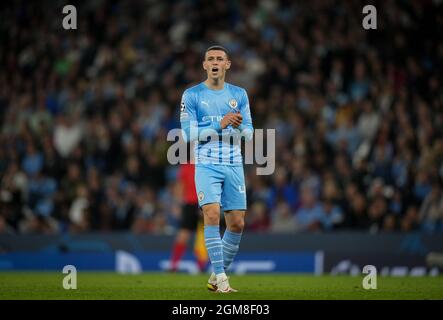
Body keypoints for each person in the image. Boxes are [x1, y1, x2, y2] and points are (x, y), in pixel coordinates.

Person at [179, 45, 253, 293]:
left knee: (237, 223)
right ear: (204, 65)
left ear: (227, 65)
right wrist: (221, 125)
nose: (214, 62)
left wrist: (242, 127)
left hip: (233, 163)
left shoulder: (240, 94)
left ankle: (214, 274)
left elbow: (250, 133)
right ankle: (222, 278)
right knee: (211, 214)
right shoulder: (191, 95)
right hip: (207, 163)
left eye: (219, 59)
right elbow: (188, 135)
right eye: (210, 58)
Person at [169, 161, 208, 273]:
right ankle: (174, 265)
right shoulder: (187, 166)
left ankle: (201, 266)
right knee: (184, 235)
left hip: (204, 203)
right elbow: (180, 186)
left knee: (203, 236)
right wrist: (177, 204)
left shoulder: (208, 165)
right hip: (190, 204)